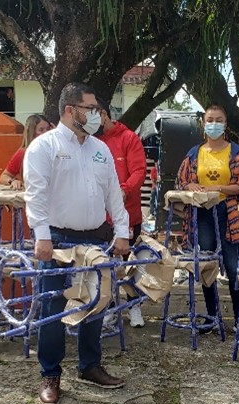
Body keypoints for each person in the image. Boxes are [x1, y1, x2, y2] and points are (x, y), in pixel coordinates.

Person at [23, 82, 131, 404]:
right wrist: (41, 235)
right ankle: (50, 374)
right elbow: (35, 194)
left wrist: (122, 231)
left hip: (95, 238)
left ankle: (90, 366)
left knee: (95, 303)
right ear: (71, 110)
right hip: (57, 240)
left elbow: (114, 193)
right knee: (53, 308)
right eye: (91, 108)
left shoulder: (100, 149)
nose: (97, 114)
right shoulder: (44, 147)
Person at [176, 104, 239, 336]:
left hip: (228, 214)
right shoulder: (194, 153)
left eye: (219, 120)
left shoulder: (237, 153)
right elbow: (182, 182)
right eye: (210, 120)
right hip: (203, 214)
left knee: (233, 267)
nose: (214, 124)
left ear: (225, 124)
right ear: (203, 123)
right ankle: (211, 317)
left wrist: (219, 188)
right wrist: (191, 185)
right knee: (207, 265)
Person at [96, 98, 148, 328]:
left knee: (129, 265)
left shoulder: (128, 138)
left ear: (103, 114)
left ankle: (134, 306)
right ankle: (107, 308)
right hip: (98, 218)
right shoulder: (90, 141)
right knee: (103, 265)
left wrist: (124, 190)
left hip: (127, 215)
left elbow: (139, 171)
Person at [0, 114, 53, 189]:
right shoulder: (23, 153)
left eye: (48, 129)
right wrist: (13, 181)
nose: (46, 132)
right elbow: (4, 176)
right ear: (32, 132)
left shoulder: (56, 150)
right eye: (41, 130)